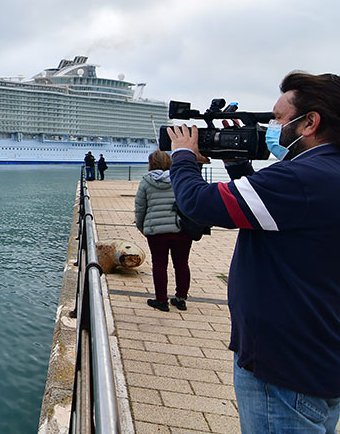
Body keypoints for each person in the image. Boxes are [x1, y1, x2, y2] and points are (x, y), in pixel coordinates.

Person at [166, 71, 340, 433]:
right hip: (320, 357)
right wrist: (236, 162)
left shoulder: (299, 179)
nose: (271, 128)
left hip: (284, 369)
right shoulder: (324, 172)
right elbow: (272, 215)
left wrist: (182, 156)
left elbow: (197, 203)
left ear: (310, 122)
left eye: (277, 118)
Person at [134, 150, 191, 312]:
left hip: (156, 231)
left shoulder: (146, 181)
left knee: (159, 264)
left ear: (151, 164)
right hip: (181, 229)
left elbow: (140, 207)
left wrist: (141, 226)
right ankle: (181, 299)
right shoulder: (180, 179)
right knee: (182, 264)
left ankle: (161, 300)